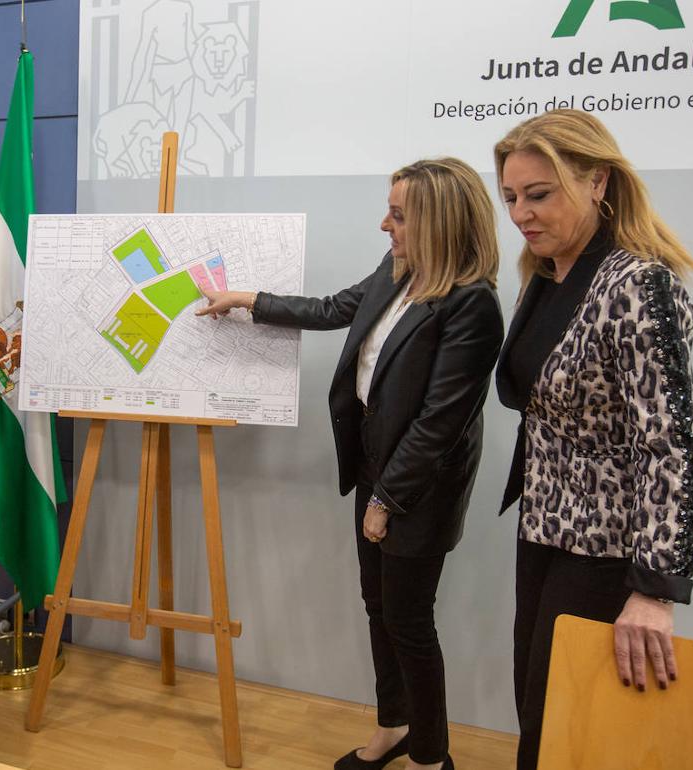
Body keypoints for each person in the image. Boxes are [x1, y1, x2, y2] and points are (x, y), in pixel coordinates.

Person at [197, 158, 504, 770]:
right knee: (377, 605)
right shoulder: (400, 272)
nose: (384, 224)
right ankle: (394, 725)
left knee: (410, 622)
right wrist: (249, 300)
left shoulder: (472, 306)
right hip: (373, 467)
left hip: (417, 487)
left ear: (438, 221)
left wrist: (387, 501)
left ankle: (431, 755)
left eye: (398, 214)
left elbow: (439, 424)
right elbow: (335, 308)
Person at [492, 109, 693, 770]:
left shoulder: (639, 284)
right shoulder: (549, 274)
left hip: (607, 551)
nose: (522, 213)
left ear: (597, 182)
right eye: (511, 198)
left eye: (539, 193)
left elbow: (668, 445)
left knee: (571, 727)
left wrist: (654, 589)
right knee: (539, 710)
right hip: (545, 530)